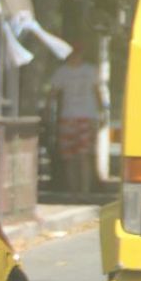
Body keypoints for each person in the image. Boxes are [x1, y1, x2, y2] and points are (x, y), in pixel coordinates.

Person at [46, 42, 104, 193]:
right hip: (68, 116)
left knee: (83, 155)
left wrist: (102, 112)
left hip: (87, 116)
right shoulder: (62, 72)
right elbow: (52, 93)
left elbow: (97, 91)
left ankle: (85, 190)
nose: (76, 56)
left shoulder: (90, 71)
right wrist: (47, 111)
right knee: (70, 157)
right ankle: (73, 191)